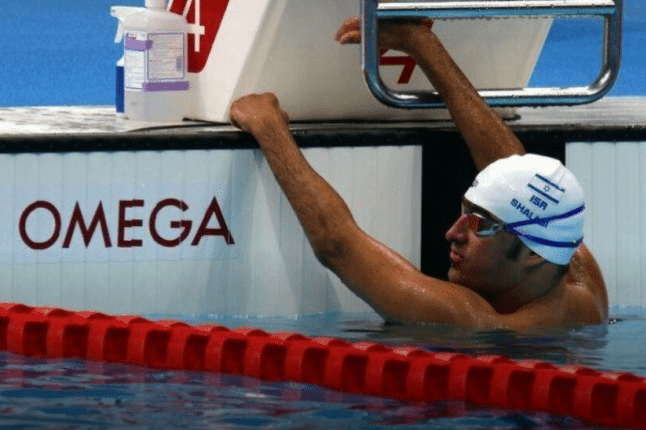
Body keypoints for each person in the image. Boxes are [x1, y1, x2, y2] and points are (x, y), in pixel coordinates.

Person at [230, 17, 608, 330]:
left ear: (531, 255)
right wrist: (422, 45)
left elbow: (337, 246)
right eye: (465, 213)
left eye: (480, 225)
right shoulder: (586, 295)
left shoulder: (475, 323)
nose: (453, 233)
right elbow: (516, 180)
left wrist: (270, 128)